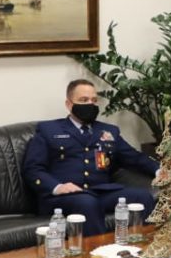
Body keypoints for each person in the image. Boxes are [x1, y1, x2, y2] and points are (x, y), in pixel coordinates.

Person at [22, 79, 159, 236]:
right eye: (83, 100)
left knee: (142, 196)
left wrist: (158, 170)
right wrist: (58, 187)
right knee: (87, 203)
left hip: (100, 193)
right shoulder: (49, 130)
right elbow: (32, 169)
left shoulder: (108, 132)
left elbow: (133, 157)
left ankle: (144, 247)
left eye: (93, 100)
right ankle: (98, 250)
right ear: (69, 104)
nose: (90, 104)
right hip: (64, 197)